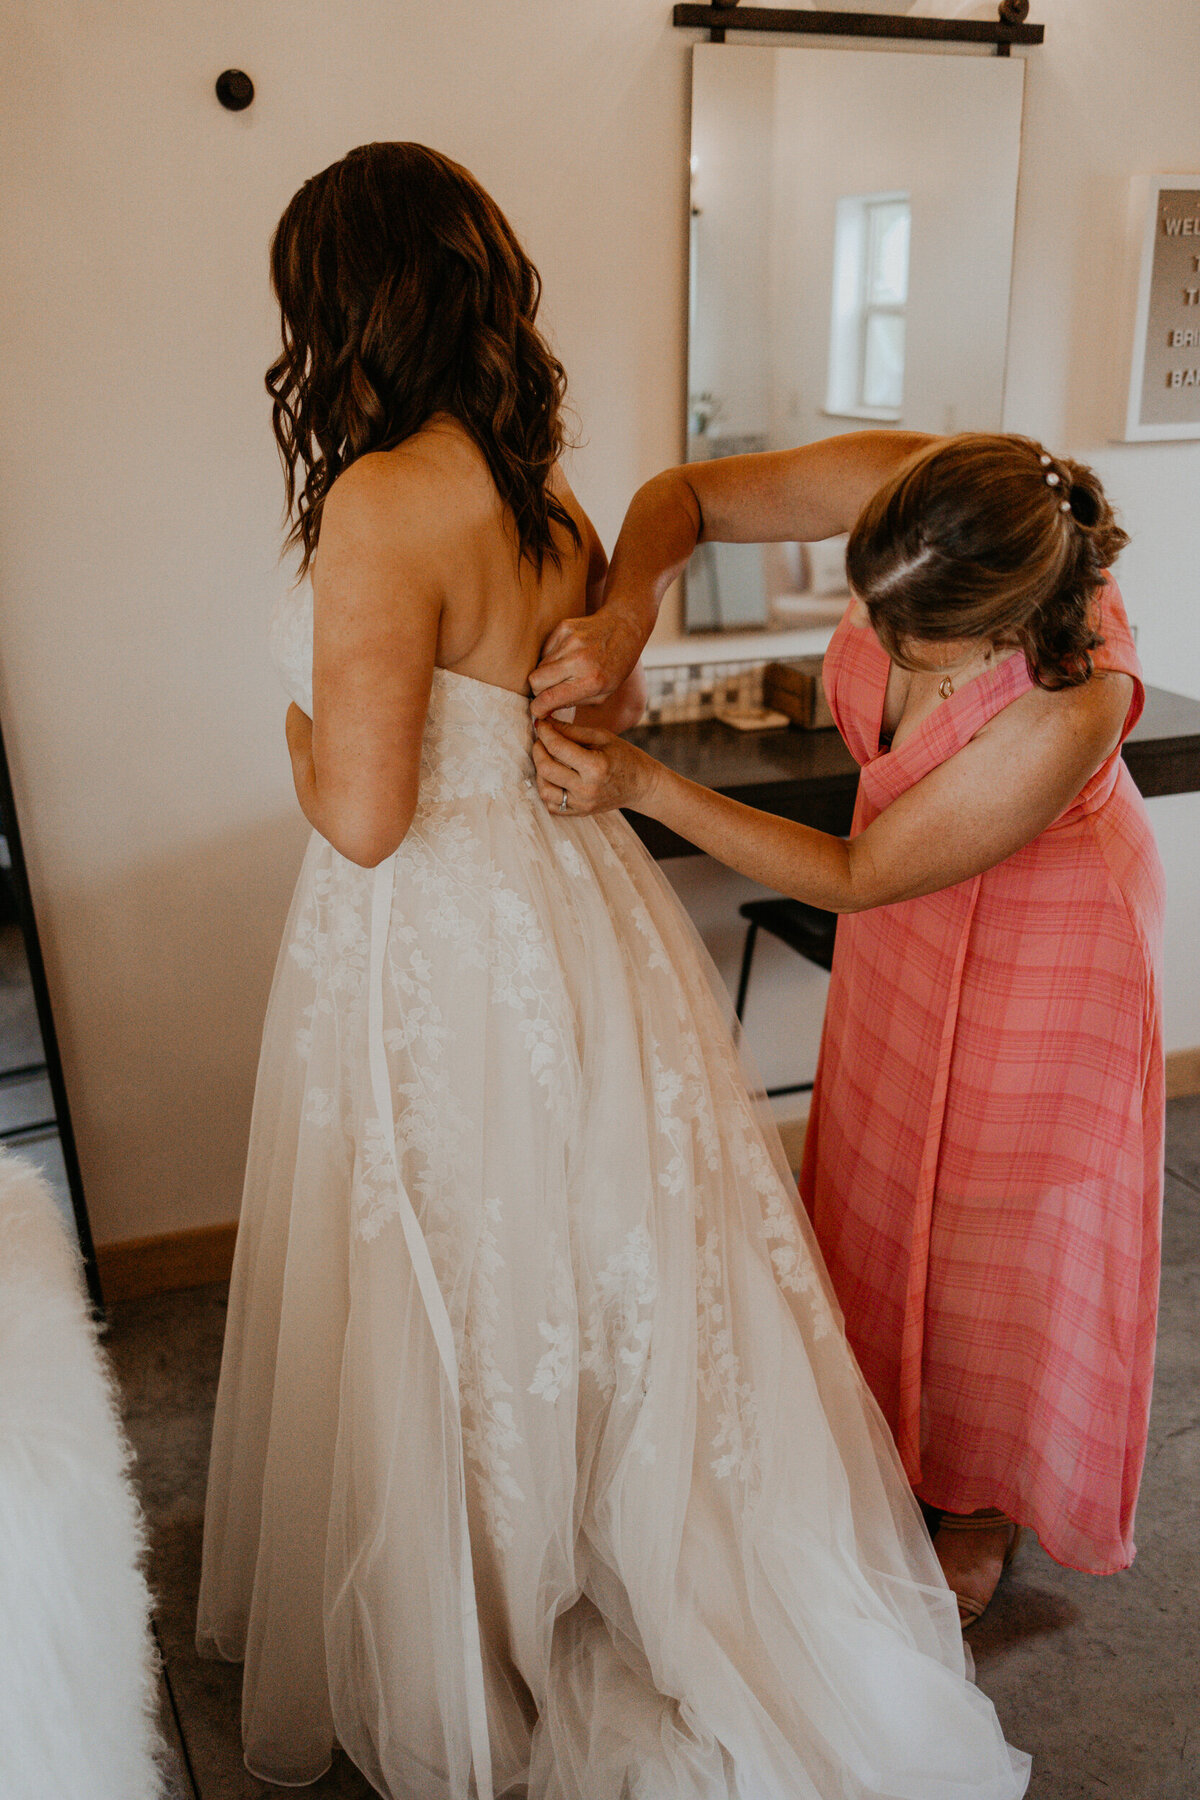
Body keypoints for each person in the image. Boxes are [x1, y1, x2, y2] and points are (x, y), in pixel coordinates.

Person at [197, 145, 1031, 1799]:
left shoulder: (381, 504)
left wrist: (295, 735)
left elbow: (363, 819)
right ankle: (600, 1550)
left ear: (342, 309)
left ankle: (478, 1608)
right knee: (588, 1259)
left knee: (457, 1269)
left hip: (434, 941)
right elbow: (589, 718)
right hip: (572, 916)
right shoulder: (547, 500)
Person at [531, 432, 1164, 1632]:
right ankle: (881, 1432)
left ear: (997, 632)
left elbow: (862, 868)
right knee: (879, 1184)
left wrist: (649, 784)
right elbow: (688, 496)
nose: (877, 636)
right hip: (913, 925)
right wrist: (626, 614)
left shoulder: (1072, 706)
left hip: (1049, 936)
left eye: (907, 634)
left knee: (995, 1217)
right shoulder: (936, 487)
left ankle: (980, 1500)